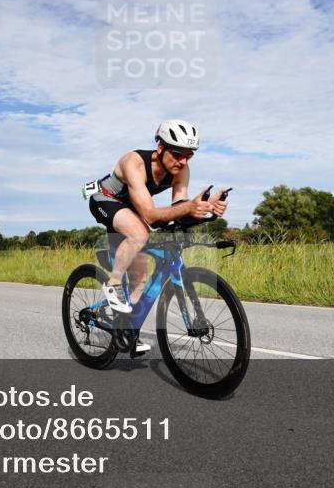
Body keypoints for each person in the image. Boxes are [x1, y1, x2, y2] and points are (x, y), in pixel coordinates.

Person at [88, 120, 229, 352]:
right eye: (177, 154)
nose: (183, 161)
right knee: (140, 233)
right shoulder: (134, 163)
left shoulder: (181, 169)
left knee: (141, 279)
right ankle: (113, 283)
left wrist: (205, 208)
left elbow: (179, 207)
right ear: (160, 147)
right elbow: (150, 216)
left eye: (189, 156)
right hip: (106, 199)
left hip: (133, 206)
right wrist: (188, 208)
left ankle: (127, 331)